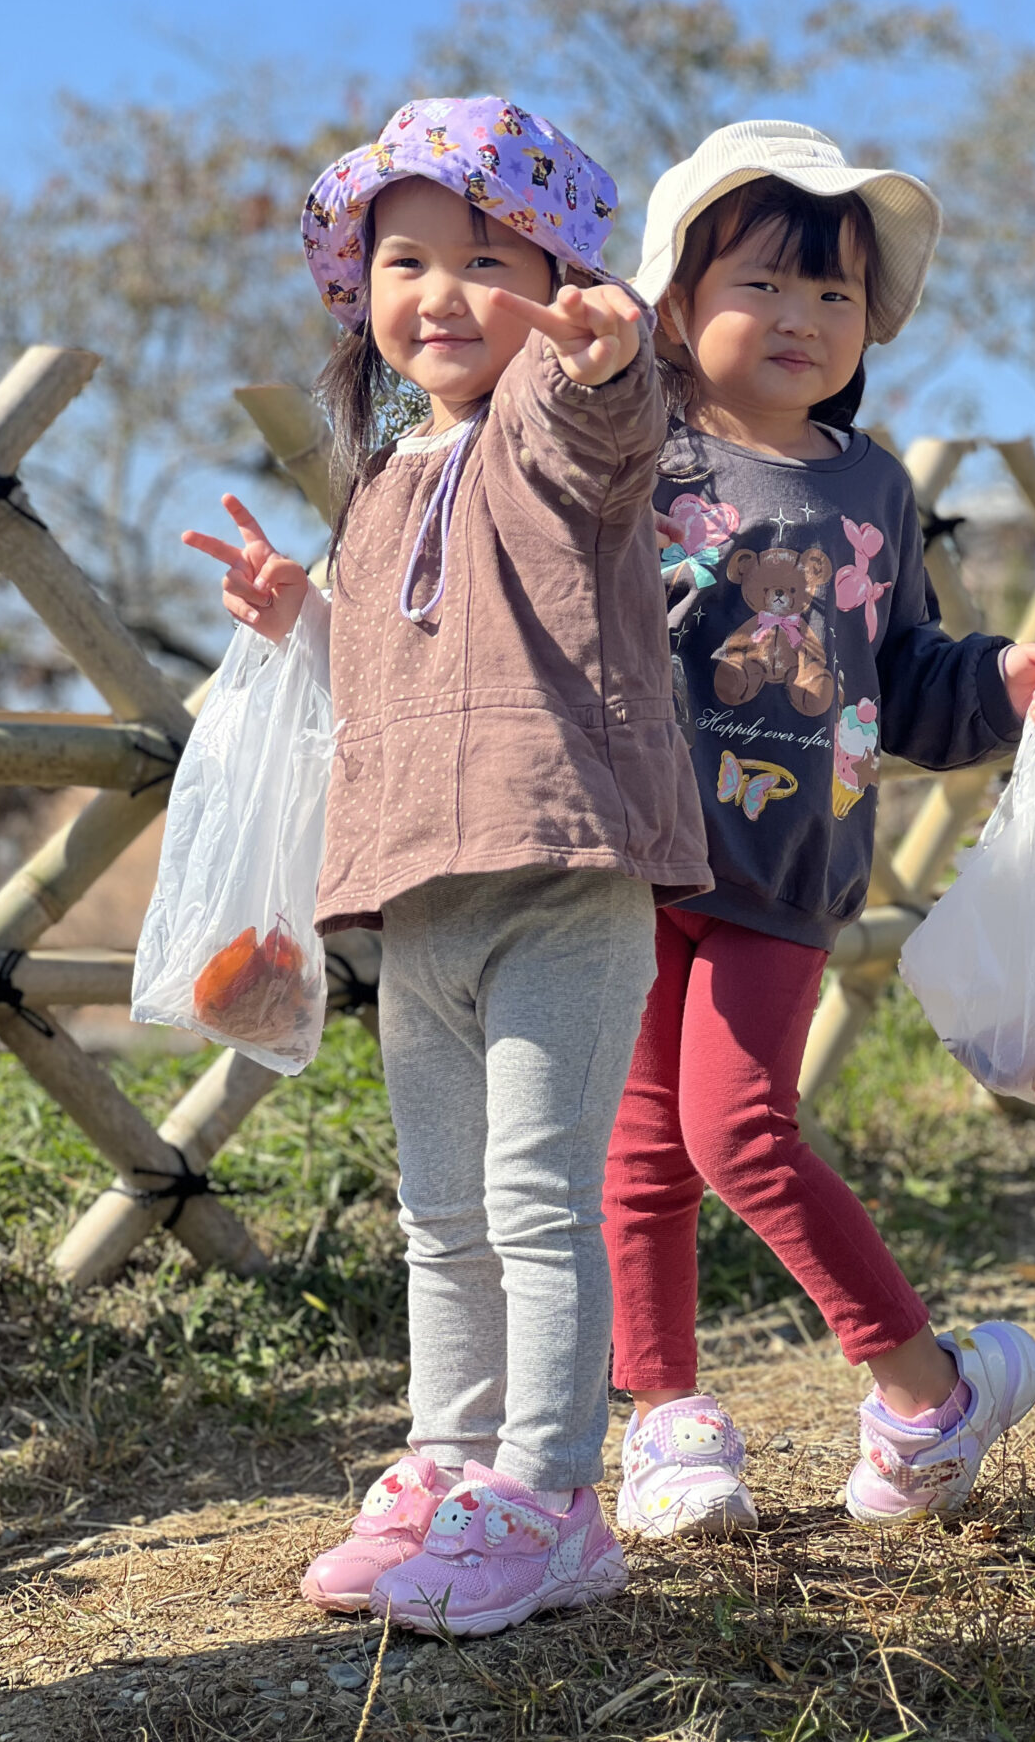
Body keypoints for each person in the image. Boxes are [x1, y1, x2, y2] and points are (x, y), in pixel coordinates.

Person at [183, 95, 710, 1635]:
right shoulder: (385, 481)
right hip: (421, 895)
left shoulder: (552, 430)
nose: (441, 292)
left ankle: (548, 1498)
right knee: (443, 1212)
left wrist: (604, 361)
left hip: (562, 874)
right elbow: (401, 666)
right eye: (404, 260)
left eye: (491, 259)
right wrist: (304, 617)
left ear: (559, 281)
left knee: (537, 1201)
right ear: (362, 295)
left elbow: (609, 432)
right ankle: (447, 1461)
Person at [601, 120, 1035, 1540]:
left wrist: (996, 680)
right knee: (638, 1155)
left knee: (739, 1132)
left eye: (835, 292)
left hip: (786, 870)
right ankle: (667, 1424)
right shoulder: (633, 455)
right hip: (627, 857)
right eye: (761, 282)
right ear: (674, 300)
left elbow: (903, 670)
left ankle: (927, 1391)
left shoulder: (869, 486)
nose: (801, 315)